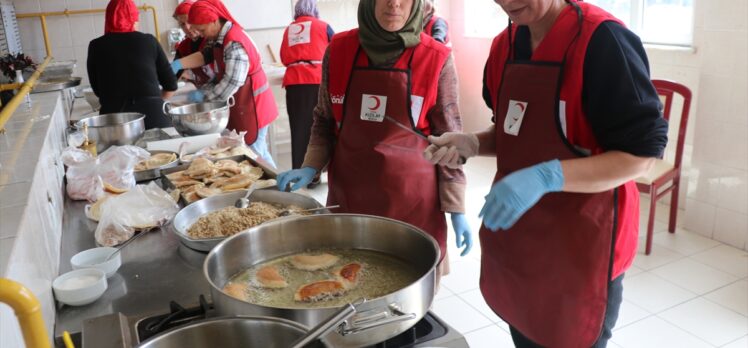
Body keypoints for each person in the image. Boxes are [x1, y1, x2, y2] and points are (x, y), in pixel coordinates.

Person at [424, 0, 668, 346]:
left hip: (583, 247)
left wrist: (547, 176)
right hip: (521, 242)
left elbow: (641, 157)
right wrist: (473, 143)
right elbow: (512, 130)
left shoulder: (602, 40)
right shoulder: (504, 46)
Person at [277, 0, 473, 265]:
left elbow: (450, 138)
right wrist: (310, 166)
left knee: (407, 287)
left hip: (412, 201)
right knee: (346, 277)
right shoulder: (339, 50)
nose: (394, 3)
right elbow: (324, 120)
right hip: (351, 196)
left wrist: (456, 207)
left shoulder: (435, 57)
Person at [172, 0, 278, 167]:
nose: (200, 34)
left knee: (256, 156)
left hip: (253, 107)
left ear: (214, 21)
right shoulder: (218, 38)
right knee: (257, 154)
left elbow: (230, 82)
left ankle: (277, 187)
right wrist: (180, 66)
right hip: (245, 105)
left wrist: (205, 99)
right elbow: (214, 65)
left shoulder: (234, 42)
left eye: (202, 29)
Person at [87, 0, 177, 129]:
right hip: (154, 117)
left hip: (114, 120)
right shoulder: (149, 41)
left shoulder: (96, 45)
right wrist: (156, 103)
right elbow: (171, 85)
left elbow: (97, 90)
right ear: (134, 19)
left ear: (109, 18)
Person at [280, 0, 334, 187]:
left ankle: (299, 176)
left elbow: (283, 56)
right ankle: (316, 174)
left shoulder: (289, 29)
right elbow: (336, 51)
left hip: (294, 84)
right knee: (320, 129)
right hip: (316, 81)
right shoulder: (323, 26)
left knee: (299, 130)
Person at [172, 0, 214, 87]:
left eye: (189, 21)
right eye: (182, 24)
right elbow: (174, 74)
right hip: (204, 89)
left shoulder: (211, 39)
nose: (187, 27)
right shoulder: (183, 46)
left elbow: (205, 56)